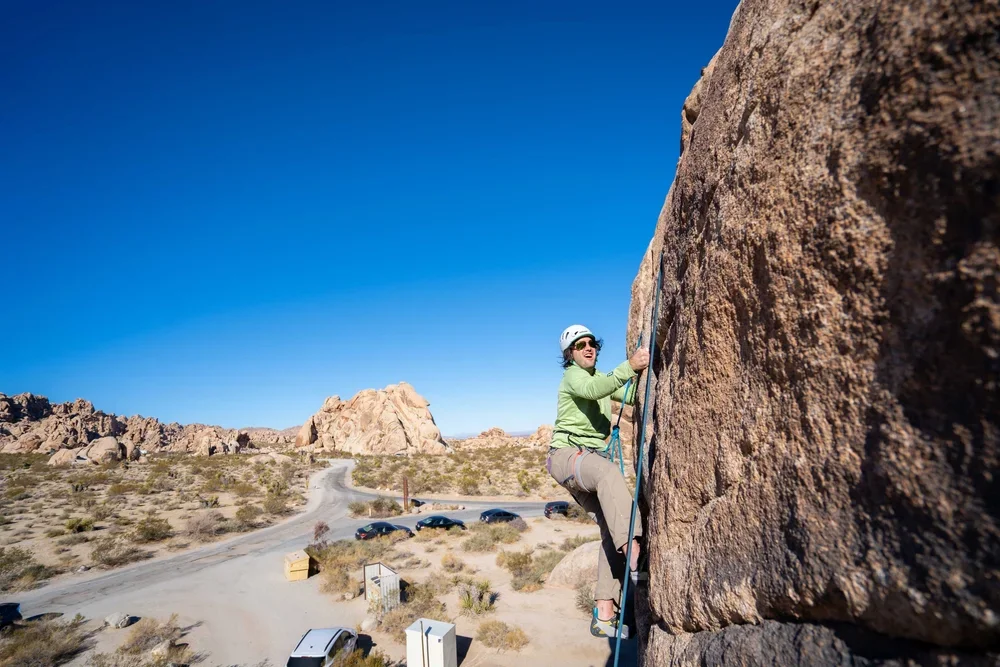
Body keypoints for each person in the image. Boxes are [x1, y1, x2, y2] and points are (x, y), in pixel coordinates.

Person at [547, 324, 649, 639]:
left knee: (608, 526)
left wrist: (641, 377)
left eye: (592, 343)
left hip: (586, 460)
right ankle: (634, 550)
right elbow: (594, 390)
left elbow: (630, 393)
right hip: (565, 457)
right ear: (570, 354)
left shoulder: (599, 378)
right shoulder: (573, 378)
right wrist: (630, 366)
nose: (588, 348)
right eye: (580, 345)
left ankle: (603, 613)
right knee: (608, 473)